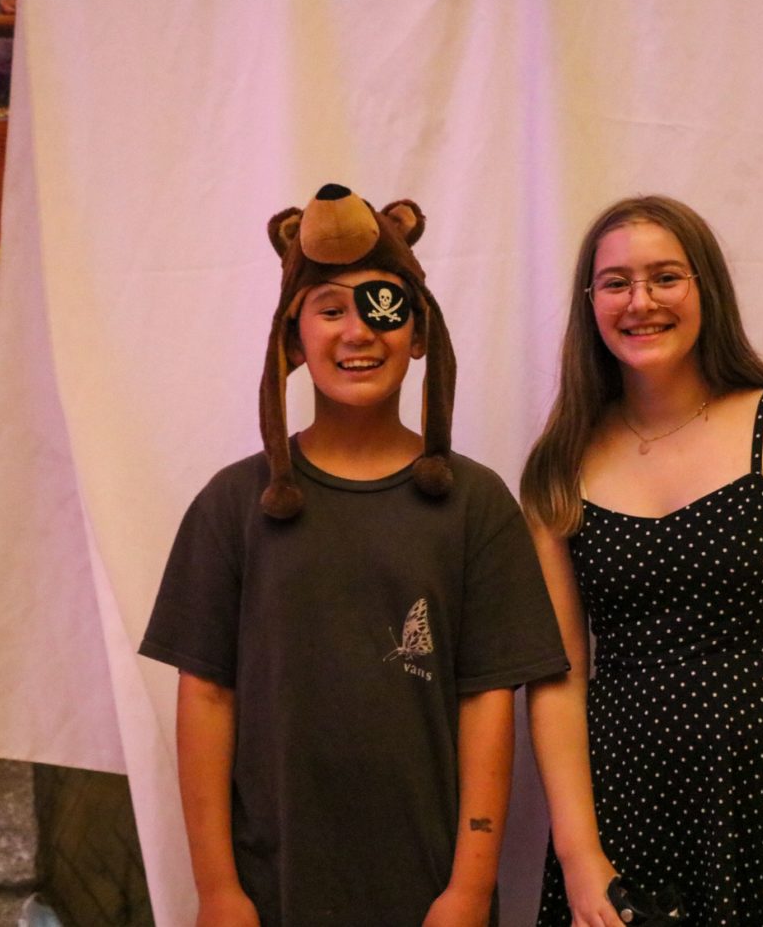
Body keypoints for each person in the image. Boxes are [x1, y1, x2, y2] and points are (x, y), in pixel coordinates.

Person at [139, 184, 569, 927]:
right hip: (272, 893)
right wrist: (217, 889)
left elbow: (488, 703)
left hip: (428, 893)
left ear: (418, 331)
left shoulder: (476, 505)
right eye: (331, 309)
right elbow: (206, 699)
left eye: (382, 306)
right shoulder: (233, 506)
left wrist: (469, 890)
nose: (358, 332)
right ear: (293, 339)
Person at [522, 195, 763, 927]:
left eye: (665, 277)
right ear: (590, 302)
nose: (641, 301)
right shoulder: (560, 464)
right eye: (616, 283)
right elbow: (559, 674)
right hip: (625, 808)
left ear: (705, 288)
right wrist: (578, 853)